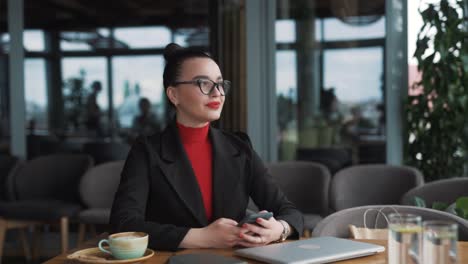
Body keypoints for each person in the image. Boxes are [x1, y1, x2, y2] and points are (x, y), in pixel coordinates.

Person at [110, 43, 303, 251]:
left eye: (220, 84)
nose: (217, 93)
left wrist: (279, 229)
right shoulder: (147, 151)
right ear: (173, 95)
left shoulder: (240, 147)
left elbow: (289, 211)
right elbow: (123, 223)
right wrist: (200, 237)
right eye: (203, 83)